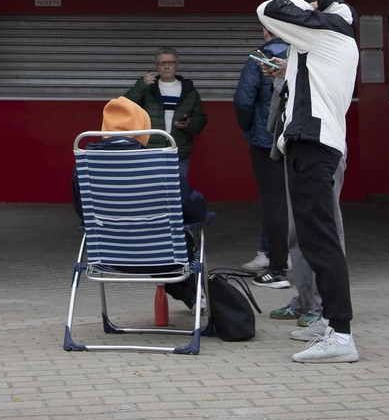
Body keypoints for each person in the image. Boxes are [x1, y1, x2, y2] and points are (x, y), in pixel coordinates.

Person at [258, 0, 360, 364]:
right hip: (310, 145)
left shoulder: (327, 33)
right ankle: (328, 323)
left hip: (315, 146)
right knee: (316, 239)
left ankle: (342, 335)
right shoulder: (325, 40)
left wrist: (304, 4)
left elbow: (266, 8)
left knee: (321, 240)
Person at [71, 97, 210, 310]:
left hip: (109, 258)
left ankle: (190, 297)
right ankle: (196, 297)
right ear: (142, 128)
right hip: (164, 257)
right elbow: (193, 208)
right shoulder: (158, 164)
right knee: (183, 232)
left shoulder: (87, 166)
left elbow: (83, 212)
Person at [234, 28, 291, 287]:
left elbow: (243, 100)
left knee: (274, 202)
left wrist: (250, 128)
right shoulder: (303, 53)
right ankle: (301, 262)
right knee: (302, 201)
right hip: (301, 137)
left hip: (266, 139)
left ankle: (277, 266)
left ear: (266, 31)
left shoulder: (261, 57)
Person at [124, 48, 206, 184]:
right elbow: (125, 107)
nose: (167, 66)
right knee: (150, 190)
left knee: (177, 192)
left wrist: (189, 124)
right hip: (150, 152)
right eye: (162, 63)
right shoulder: (148, 88)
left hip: (178, 152)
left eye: (171, 63)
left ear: (177, 65)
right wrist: (141, 86)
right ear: (156, 66)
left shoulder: (189, 91)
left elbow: (200, 119)